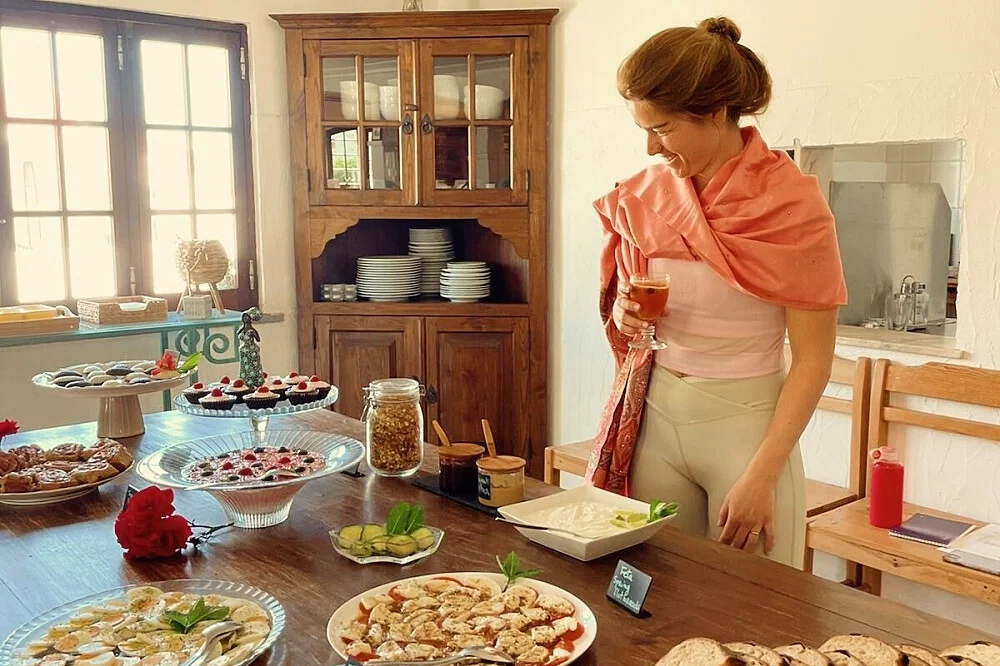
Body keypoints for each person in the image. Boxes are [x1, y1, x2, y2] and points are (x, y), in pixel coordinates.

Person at [585, 16, 848, 569]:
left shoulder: (793, 207)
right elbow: (633, 312)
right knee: (655, 593)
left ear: (716, 112)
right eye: (644, 129)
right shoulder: (645, 197)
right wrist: (627, 313)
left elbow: (813, 362)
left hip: (747, 435)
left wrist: (763, 476)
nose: (650, 147)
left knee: (754, 608)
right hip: (655, 421)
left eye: (663, 129)